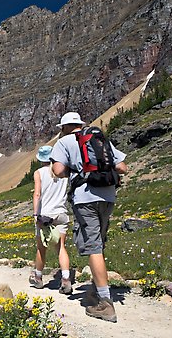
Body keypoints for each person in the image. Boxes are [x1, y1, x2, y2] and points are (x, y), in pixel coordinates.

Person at [50, 112, 127, 323]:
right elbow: (122, 167)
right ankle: (96, 288)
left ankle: (105, 303)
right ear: (80, 125)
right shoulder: (99, 139)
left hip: (85, 198)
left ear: (65, 127)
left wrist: (77, 171)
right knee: (99, 242)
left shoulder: (65, 142)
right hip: (108, 195)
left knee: (93, 247)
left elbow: (57, 171)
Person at [30, 145, 73, 295]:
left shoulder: (39, 173)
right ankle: (66, 279)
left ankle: (38, 277)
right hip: (61, 213)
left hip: (45, 216)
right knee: (61, 247)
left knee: (42, 248)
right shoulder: (63, 172)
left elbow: (37, 194)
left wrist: (36, 215)